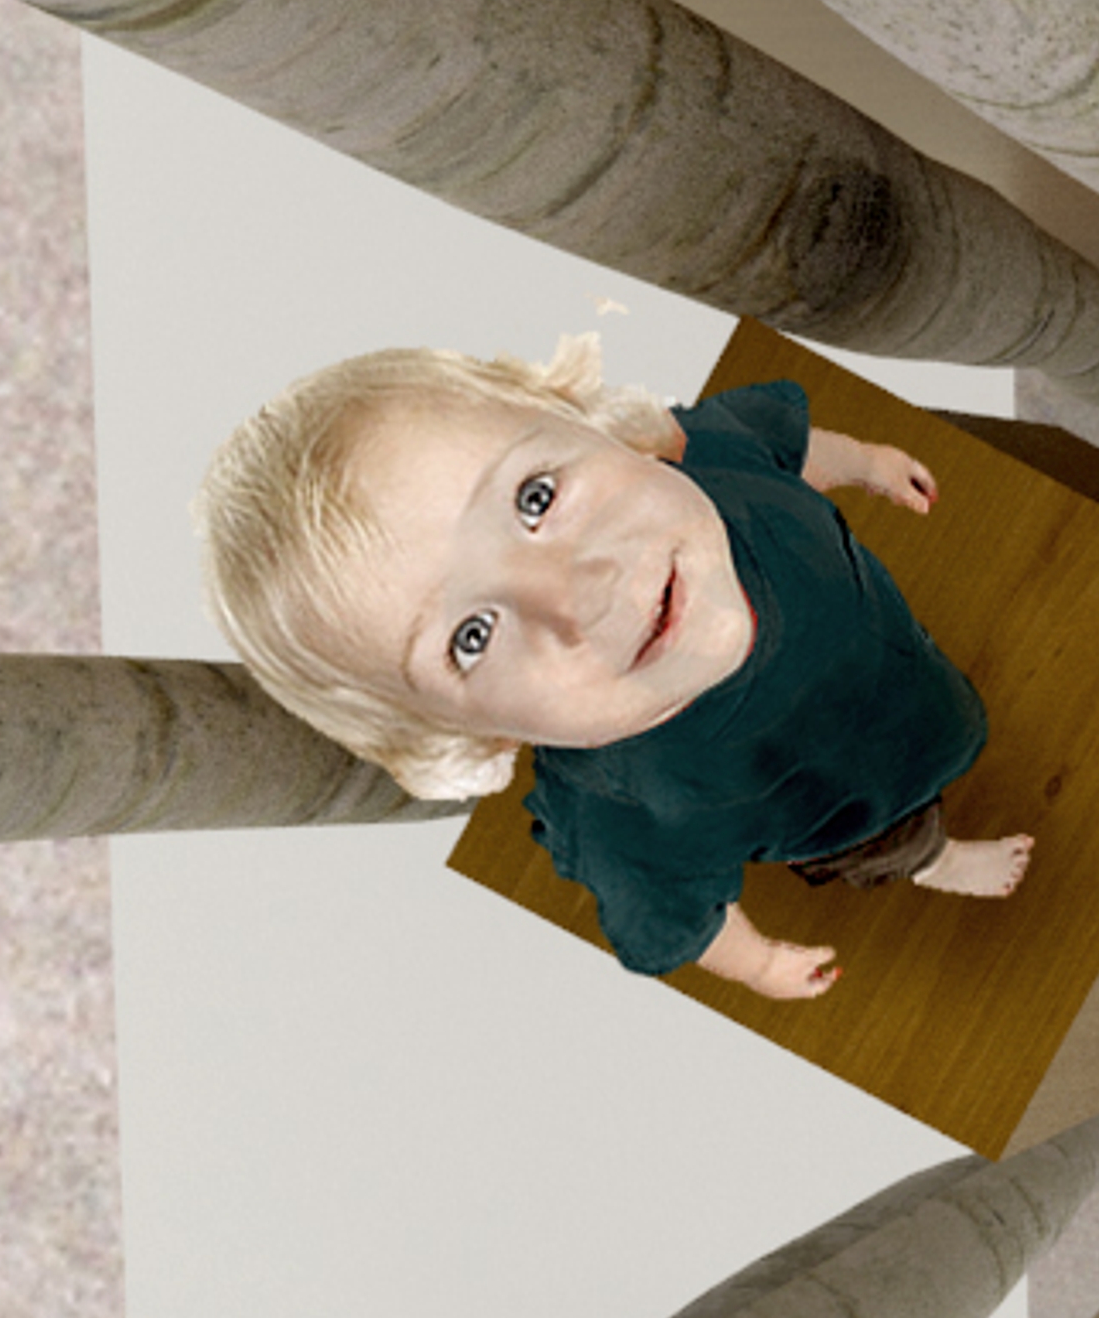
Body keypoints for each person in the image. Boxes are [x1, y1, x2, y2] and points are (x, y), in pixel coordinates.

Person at [196, 340, 1029, 995]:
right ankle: (936, 861)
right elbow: (681, 916)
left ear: (610, 427)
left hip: (891, 670)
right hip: (844, 810)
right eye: (473, 635)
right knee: (896, 838)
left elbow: (787, 444)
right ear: (469, 740)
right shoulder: (623, 809)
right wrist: (759, 964)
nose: (580, 592)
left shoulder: (705, 457)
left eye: (534, 498)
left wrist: (863, 461)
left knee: (928, 705)